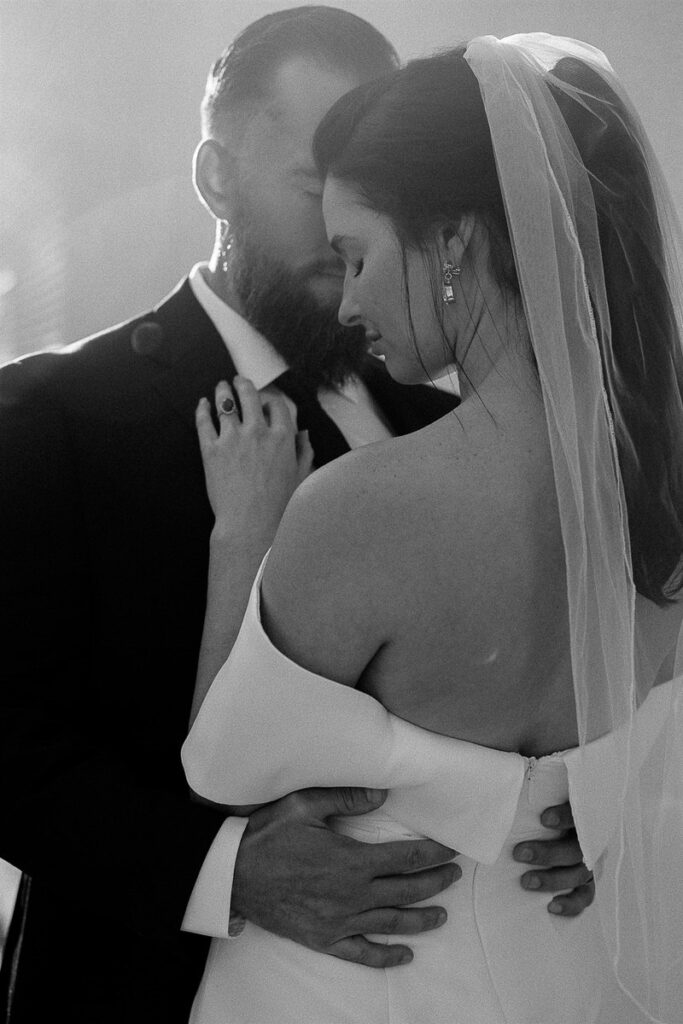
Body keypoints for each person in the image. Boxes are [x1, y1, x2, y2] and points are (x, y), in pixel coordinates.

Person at [0, 11, 591, 1023]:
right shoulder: (49, 418)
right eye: (315, 183)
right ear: (216, 179)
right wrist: (227, 871)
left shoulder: (450, 420)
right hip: (135, 988)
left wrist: (585, 800)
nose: (343, 225)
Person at [183, 33, 683, 1024]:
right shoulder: (655, 480)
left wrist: (243, 533)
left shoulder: (363, 506)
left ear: (452, 238)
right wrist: (601, 804)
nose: (350, 295)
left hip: (345, 987)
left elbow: (220, 769)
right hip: (563, 971)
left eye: (358, 254)